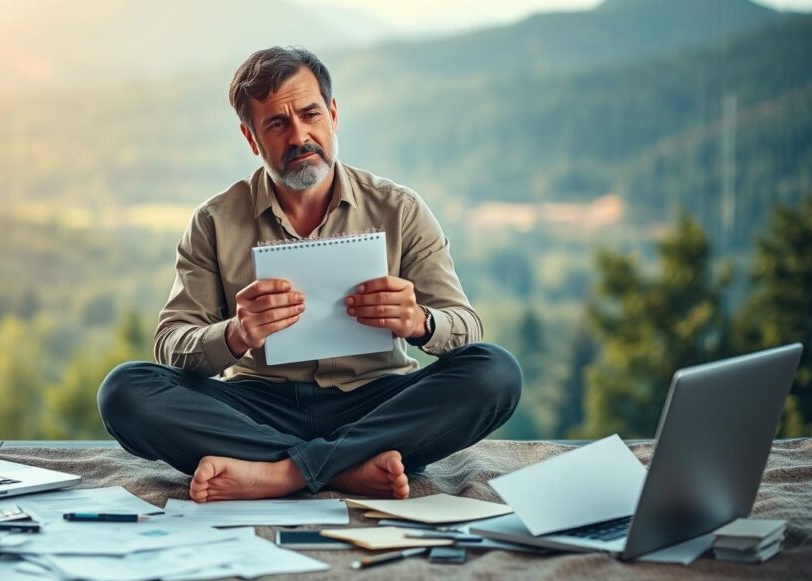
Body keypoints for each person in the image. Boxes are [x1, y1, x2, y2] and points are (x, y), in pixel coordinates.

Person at [98, 47, 521, 503]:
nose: (300, 135)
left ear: (333, 114)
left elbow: (467, 326)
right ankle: (344, 466)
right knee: (124, 391)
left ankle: (280, 474)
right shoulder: (214, 221)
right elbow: (171, 342)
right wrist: (237, 335)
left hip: (375, 401)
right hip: (257, 407)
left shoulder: (399, 208)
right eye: (277, 124)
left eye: (310, 114)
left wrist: (421, 322)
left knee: (496, 373)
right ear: (251, 137)